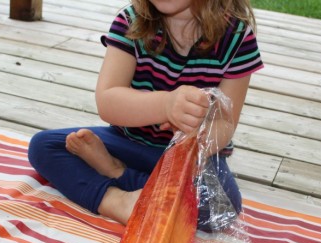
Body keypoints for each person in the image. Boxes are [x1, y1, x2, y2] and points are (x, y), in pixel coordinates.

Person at [28, 0, 263, 230]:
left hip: (189, 159)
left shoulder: (238, 37)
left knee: (223, 206)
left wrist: (193, 138)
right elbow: (107, 101)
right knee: (43, 146)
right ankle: (114, 201)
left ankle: (115, 171)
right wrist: (166, 104)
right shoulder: (131, 22)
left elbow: (224, 122)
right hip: (129, 142)